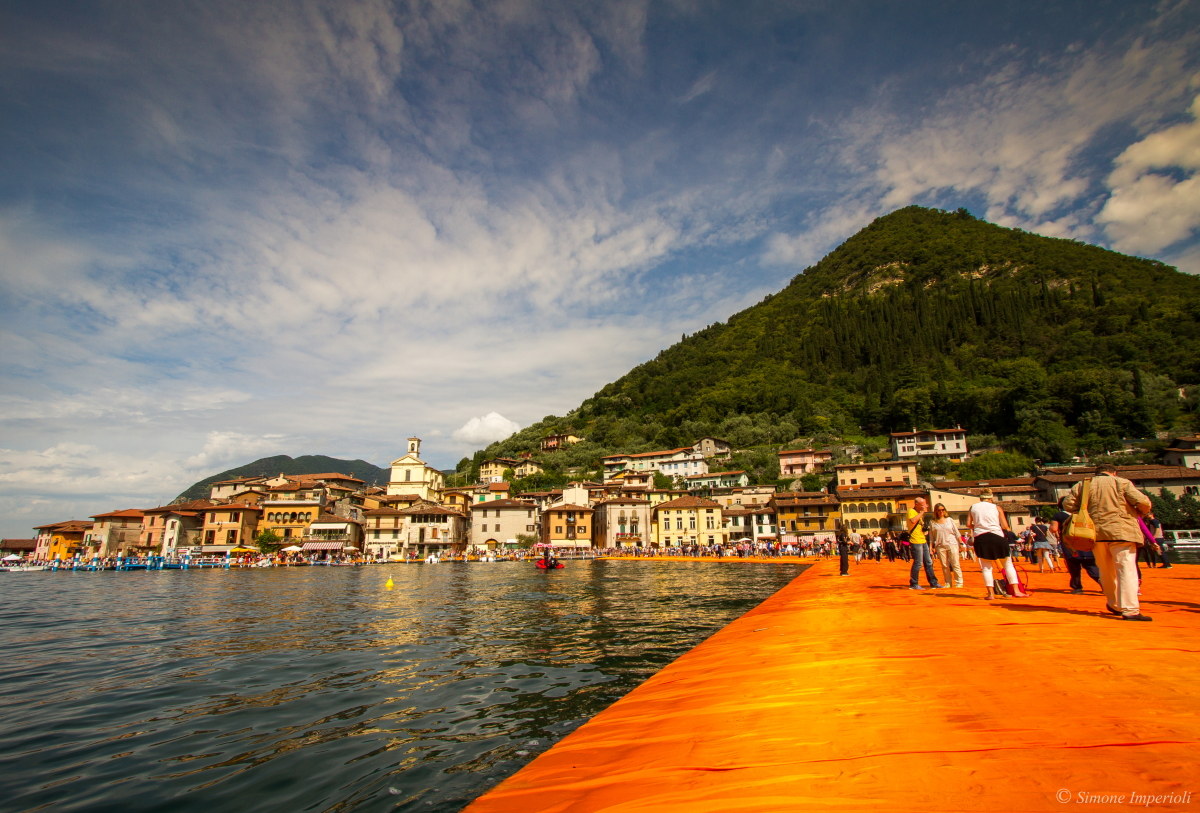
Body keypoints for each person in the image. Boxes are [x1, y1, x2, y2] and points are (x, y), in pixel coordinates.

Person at [1062, 464, 1153, 621]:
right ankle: (1130, 609)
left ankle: (1114, 604)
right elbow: (1143, 502)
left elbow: (1068, 504)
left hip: (1095, 533)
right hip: (1122, 531)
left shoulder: (1084, 484)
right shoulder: (1121, 482)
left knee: (1105, 571)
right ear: (1114, 473)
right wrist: (1139, 511)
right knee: (1126, 569)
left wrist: (1084, 510)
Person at [968, 489, 1028, 600]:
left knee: (986, 568)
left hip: (981, 538)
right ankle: (1016, 591)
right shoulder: (996, 507)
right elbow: (1005, 526)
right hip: (997, 536)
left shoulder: (973, 507)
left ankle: (991, 594)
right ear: (991, 498)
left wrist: (978, 527)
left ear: (980, 498)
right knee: (1008, 565)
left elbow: (968, 524)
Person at [1051, 500, 1101, 594]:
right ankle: (1103, 583)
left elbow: (1053, 529)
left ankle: (1077, 587)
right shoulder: (1085, 513)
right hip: (1085, 542)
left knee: (1074, 566)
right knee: (1091, 565)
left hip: (1070, 543)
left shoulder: (1059, 515)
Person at [906, 496, 942, 589]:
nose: (925, 506)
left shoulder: (919, 514)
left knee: (929, 562)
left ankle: (933, 583)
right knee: (918, 563)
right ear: (916, 504)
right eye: (922, 504)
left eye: (925, 504)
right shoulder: (911, 511)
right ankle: (914, 584)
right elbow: (913, 520)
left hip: (922, 540)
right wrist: (922, 512)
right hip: (915, 540)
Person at [929, 503, 964, 588]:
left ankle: (959, 582)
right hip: (940, 545)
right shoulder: (932, 522)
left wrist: (961, 543)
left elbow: (956, 532)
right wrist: (931, 547)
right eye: (939, 510)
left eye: (942, 509)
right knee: (944, 565)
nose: (941, 511)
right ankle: (948, 582)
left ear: (945, 510)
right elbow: (931, 537)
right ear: (936, 511)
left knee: (955, 563)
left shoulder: (949, 520)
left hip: (952, 544)